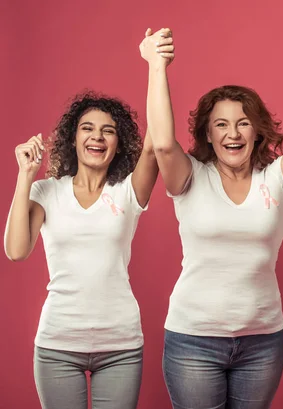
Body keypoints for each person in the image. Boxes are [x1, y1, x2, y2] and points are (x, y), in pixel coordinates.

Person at [138, 6, 283, 409]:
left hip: (262, 343)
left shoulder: (277, 180)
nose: (233, 133)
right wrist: (157, 65)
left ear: (257, 131)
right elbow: (161, 144)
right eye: (221, 124)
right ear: (208, 132)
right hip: (193, 339)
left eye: (243, 122)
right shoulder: (190, 177)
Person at [4, 92, 159, 409]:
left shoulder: (128, 190)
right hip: (57, 344)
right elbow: (16, 250)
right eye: (87, 128)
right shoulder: (46, 191)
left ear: (118, 143)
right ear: (72, 139)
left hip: (121, 346)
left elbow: (157, 142)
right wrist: (25, 175)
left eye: (109, 130)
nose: (97, 136)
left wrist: (157, 65)